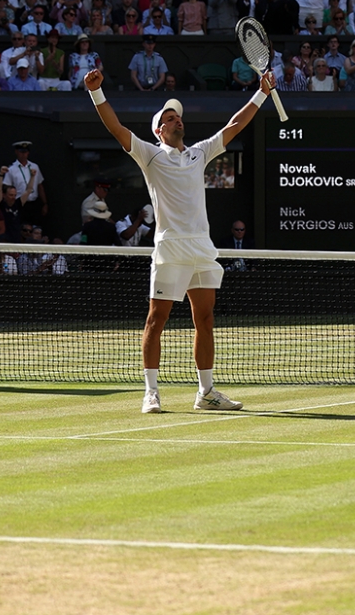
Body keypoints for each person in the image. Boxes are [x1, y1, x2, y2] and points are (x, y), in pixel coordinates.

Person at [83, 65, 276, 414]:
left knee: (205, 319)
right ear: (159, 130)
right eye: (170, 118)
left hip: (201, 248)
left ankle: (206, 392)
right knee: (156, 320)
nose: (177, 121)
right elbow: (115, 127)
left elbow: (234, 125)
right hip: (170, 249)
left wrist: (262, 92)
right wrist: (97, 92)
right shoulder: (149, 154)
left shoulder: (200, 152)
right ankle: (151, 392)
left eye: (179, 117)